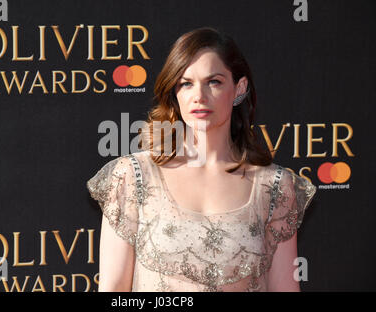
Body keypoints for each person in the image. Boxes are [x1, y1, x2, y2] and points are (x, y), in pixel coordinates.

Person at [86, 27, 317, 292]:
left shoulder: (275, 187)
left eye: (214, 82)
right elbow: (114, 290)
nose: (199, 96)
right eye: (186, 83)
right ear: (175, 92)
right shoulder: (133, 176)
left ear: (239, 88)